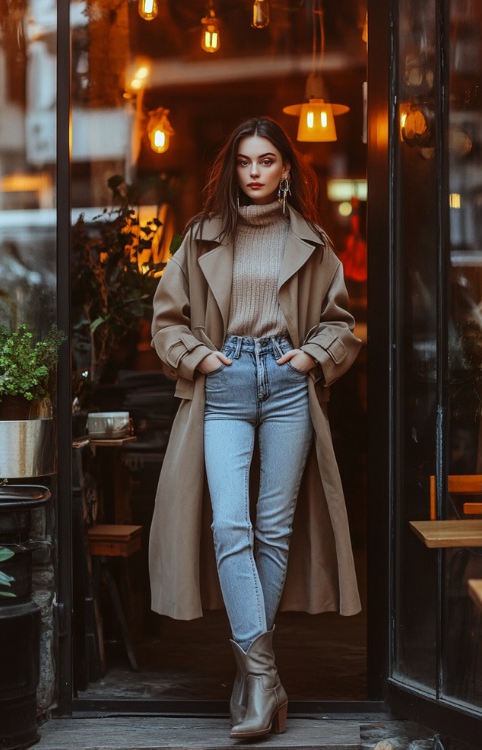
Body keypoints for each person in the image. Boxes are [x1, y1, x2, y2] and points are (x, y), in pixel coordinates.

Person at [148, 116, 362, 739]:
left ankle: (253, 681)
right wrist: (204, 358)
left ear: (286, 169)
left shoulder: (315, 242)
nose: (255, 172)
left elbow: (339, 323)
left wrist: (309, 358)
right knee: (229, 522)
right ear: (232, 169)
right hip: (227, 382)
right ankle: (264, 674)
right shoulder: (201, 237)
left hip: (289, 385)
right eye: (244, 162)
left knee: (273, 528)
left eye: (266, 161)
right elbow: (167, 322)